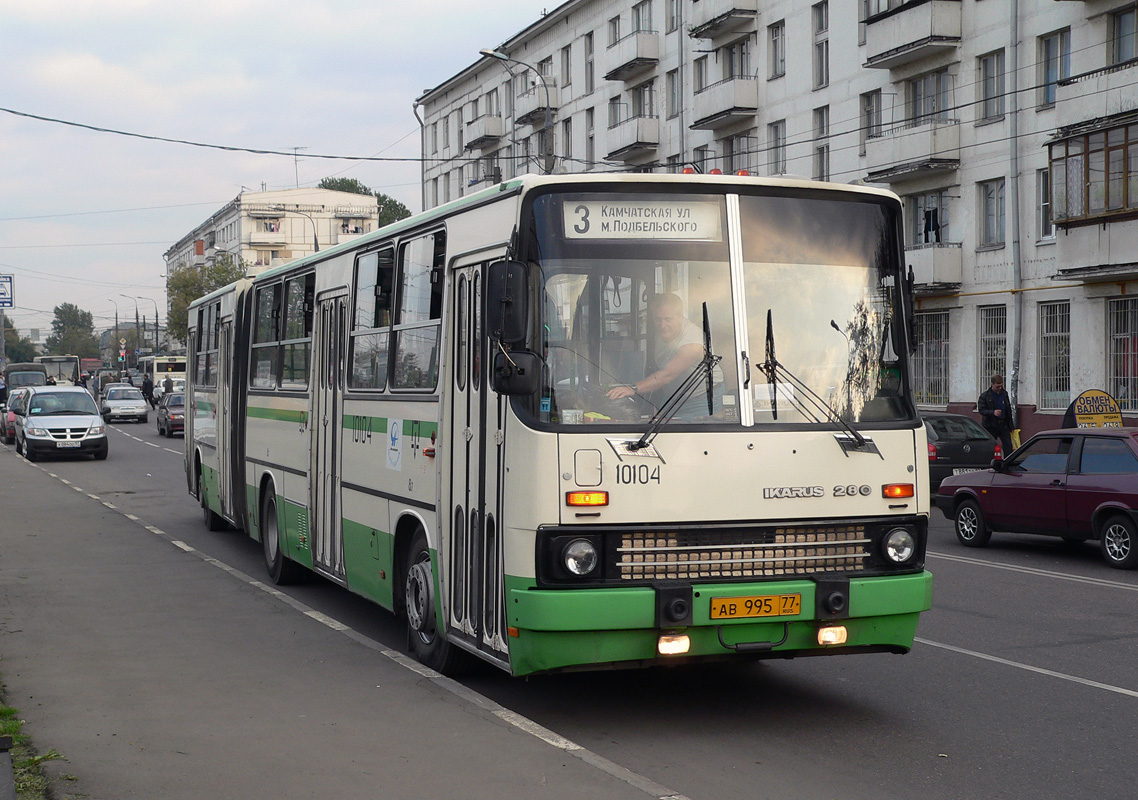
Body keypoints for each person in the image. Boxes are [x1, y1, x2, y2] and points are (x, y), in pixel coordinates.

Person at [607, 293, 721, 416]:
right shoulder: (655, 332)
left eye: (668, 319)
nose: (662, 325)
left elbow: (667, 375)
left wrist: (632, 389)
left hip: (701, 399)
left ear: (680, 317)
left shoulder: (692, 341)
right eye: (658, 319)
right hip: (672, 397)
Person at [978, 373, 1015, 455]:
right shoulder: (985, 396)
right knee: (991, 446)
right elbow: (981, 410)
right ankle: (991, 462)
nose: (1000, 388)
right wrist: (992, 412)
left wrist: (1011, 425)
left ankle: (1008, 463)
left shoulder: (1004, 394)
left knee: (1008, 446)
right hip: (991, 425)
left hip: (1003, 424)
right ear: (992, 384)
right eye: (997, 386)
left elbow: (1008, 410)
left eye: (1001, 386)